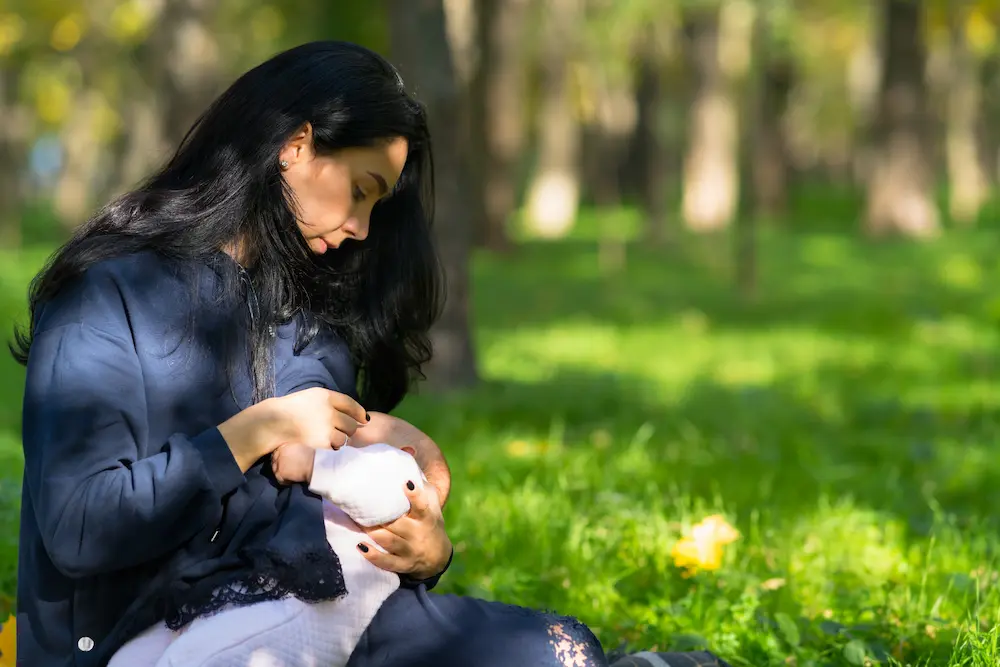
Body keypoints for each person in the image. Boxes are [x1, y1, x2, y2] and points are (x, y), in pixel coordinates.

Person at [13, 40, 731, 667]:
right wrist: (257, 429)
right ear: (294, 145)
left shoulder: (310, 309)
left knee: (556, 650)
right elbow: (81, 528)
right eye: (359, 191)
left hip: (300, 615)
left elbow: (325, 517)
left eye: (375, 207)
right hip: (141, 639)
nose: (359, 227)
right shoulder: (108, 294)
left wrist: (423, 549)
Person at [109, 440, 428, 667]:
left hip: (309, 610)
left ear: (407, 451)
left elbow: (374, 483)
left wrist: (311, 463)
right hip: (263, 592)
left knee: (197, 656)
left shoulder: (398, 469)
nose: (360, 419)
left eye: (371, 421)